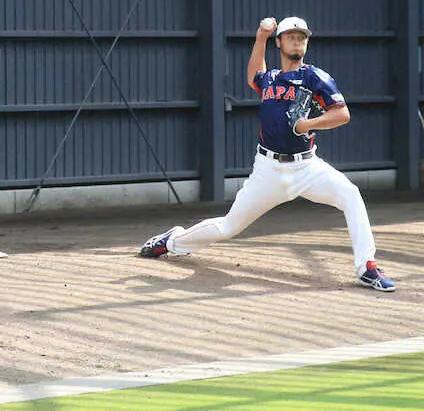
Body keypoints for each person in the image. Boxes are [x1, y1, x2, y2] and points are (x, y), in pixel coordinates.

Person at [138, 17, 395, 292]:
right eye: (291, 36)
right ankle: (173, 242)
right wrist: (260, 36)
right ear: (279, 42)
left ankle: (367, 266)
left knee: (350, 195)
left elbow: (342, 114)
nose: (297, 40)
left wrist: (307, 124)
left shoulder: (315, 77)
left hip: (307, 169)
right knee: (228, 227)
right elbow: (252, 77)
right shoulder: (270, 78)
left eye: (302, 37)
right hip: (268, 170)